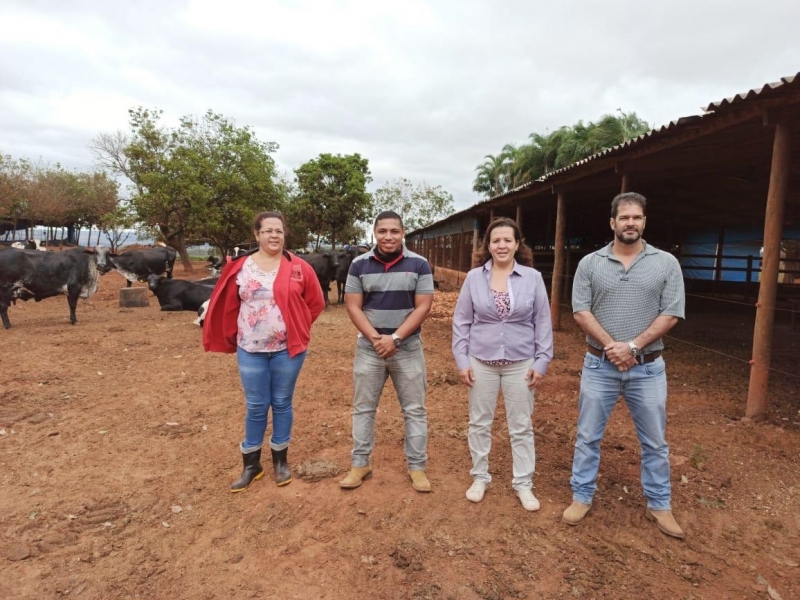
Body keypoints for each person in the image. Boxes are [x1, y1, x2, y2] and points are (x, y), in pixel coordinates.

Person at [563, 192, 686, 539]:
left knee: (655, 442)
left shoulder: (666, 263)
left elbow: (672, 311)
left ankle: (660, 504)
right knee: (588, 436)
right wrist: (612, 347)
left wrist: (633, 346)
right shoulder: (590, 263)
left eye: (636, 217)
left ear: (644, 222)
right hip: (599, 365)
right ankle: (581, 496)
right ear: (612, 223)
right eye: (624, 217)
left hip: (647, 368)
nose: (630, 223)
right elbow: (580, 310)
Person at [203, 211, 325, 492]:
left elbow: (315, 303)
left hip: (287, 349)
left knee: (282, 401)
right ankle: (251, 465)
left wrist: (298, 326)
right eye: (268, 230)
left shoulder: (298, 267)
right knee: (256, 405)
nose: (274, 236)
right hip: (251, 348)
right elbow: (226, 302)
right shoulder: (239, 267)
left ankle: (280, 461)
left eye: (279, 231)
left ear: (285, 235)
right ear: (256, 234)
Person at [451, 218, 554, 511]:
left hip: (521, 362)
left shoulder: (532, 278)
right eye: (495, 240)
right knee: (479, 422)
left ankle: (523, 484)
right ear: (488, 245)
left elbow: (543, 322)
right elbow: (461, 322)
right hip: (480, 360)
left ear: (518, 244)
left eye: (508, 240)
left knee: (521, 426)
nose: (502, 245)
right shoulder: (474, 278)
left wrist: (542, 361)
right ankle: (480, 477)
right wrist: (461, 360)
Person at [339, 210, 435, 492]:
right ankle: (360, 464)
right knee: (363, 408)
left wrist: (395, 338)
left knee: (414, 410)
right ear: (374, 233)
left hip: (408, 347)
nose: (388, 236)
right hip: (369, 348)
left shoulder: (419, 264)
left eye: (394, 231)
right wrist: (376, 338)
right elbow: (353, 305)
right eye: (382, 231)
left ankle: (417, 468)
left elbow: (423, 306)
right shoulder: (358, 264)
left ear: (402, 233)